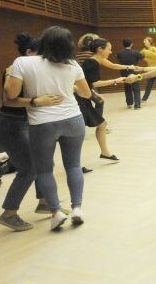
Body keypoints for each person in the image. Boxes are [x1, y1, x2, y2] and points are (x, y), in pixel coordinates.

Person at [5, 26, 92, 230]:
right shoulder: (73, 66)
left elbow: (12, 94)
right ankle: (77, 208)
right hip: (73, 119)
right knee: (73, 166)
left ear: (43, 42)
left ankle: (55, 212)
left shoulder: (24, 62)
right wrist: (69, 87)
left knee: (44, 170)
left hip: (43, 123)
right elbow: (86, 94)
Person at [0, 33, 64, 231]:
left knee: (44, 162)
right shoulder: (13, 69)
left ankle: (44, 202)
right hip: (10, 126)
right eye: (42, 55)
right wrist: (35, 101)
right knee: (29, 169)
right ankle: (9, 213)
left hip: (26, 124)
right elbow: (8, 99)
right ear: (29, 52)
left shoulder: (34, 70)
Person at [80, 38, 140, 162]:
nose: (111, 52)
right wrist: (116, 81)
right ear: (100, 49)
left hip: (85, 95)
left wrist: (130, 66)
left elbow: (112, 66)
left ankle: (104, 153)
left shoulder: (97, 60)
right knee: (83, 129)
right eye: (109, 49)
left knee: (101, 124)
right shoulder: (92, 62)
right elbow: (95, 83)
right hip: (80, 97)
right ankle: (78, 162)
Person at [116, 39, 143, 109]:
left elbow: (118, 58)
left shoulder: (119, 53)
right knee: (136, 88)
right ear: (131, 44)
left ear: (123, 44)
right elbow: (142, 57)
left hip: (124, 72)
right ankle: (137, 105)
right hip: (135, 72)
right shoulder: (135, 52)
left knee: (127, 88)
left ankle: (129, 103)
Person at [140, 37, 156, 103]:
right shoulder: (144, 50)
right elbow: (139, 56)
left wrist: (147, 52)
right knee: (148, 85)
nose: (144, 42)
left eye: (145, 41)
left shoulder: (153, 48)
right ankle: (144, 99)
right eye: (144, 41)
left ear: (149, 41)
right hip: (150, 70)